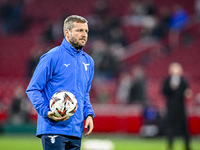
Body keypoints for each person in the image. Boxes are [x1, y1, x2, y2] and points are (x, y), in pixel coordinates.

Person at [26, 15, 95, 150]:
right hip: (53, 127)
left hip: (76, 129)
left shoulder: (88, 61)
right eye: (79, 31)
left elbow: (84, 93)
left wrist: (89, 114)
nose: (84, 35)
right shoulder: (52, 56)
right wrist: (46, 112)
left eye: (86, 31)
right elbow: (33, 89)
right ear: (67, 32)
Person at [161, 62, 192, 150]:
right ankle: (170, 145)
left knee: (185, 128)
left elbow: (187, 92)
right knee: (170, 128)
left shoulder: (183, 81)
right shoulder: (167, 81)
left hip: (181, 108)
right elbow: (164, 91)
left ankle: (187, 146)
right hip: (171, 108)